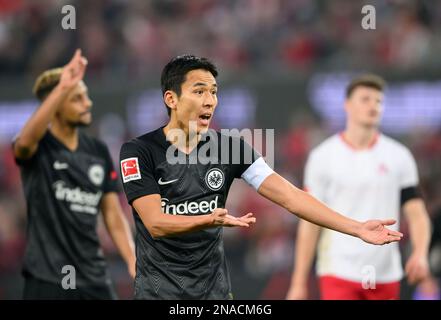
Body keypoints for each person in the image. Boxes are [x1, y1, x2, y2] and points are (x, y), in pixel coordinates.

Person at [119, 56, 403, 300]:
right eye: (199, 91)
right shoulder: (139, 151)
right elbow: (155, 223)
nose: (210, 101)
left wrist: (356, 228)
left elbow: (291, 197)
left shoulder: (230, 148)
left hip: (215, 294)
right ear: (172, 99)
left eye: (214, 92)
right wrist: (208, 219)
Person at [286, 74, 432, 300]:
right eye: (365, 99)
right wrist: (298, 282)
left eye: (378, 101)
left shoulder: (399, 157)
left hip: (385, 272)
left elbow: (417, 213)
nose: (373, 105)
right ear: (347, 105)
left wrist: (421, 253)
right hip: (339, 269)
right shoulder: (323, 157)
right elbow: (309, 222)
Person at [13, 49, 136, 299]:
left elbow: (112, 213)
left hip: (94, 279)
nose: (88, 103)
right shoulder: (40, 147)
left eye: (86, 96)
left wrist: (133, 261)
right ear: (57, 105)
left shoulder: (97, 151)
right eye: (77, 98)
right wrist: (62, 87)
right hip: (47, 280)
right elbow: (24, 143)